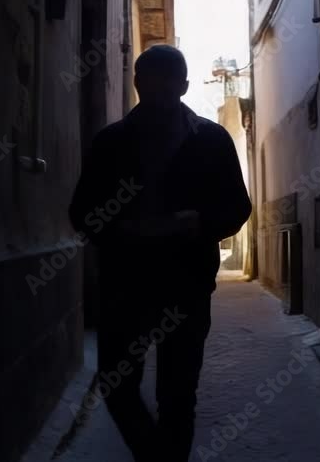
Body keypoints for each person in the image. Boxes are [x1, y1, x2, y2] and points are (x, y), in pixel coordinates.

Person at [69, 44, 252, 461]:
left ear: (184, 87)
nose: (161, 92)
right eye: (153, 84)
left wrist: (199, 223)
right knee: (118, 388)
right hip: (124, 288)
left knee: (177, 394)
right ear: (137, 84)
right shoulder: (110, 143)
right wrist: (124, 231)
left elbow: (238, 206)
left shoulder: (211, 139)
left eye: (169, 84)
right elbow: (82, 212)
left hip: (185, 287)